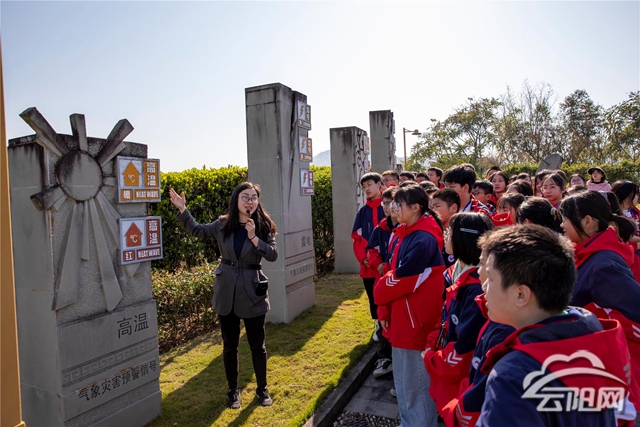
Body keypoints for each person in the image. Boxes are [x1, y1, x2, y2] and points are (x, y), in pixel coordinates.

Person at [475, 224, 633, 427]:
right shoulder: (593, 335)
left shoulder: (513, 376)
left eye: (490, 278)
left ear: (521, 294)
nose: (484, 286)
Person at [169, 182, 278, 409]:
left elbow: (273, 255)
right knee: (230, 345)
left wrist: (254, 238)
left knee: (257, 345)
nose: (249, 202)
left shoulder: (263, 226)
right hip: (226, 290)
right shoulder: (222, 224)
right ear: (236, 200)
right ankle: (233, 390)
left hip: (253, 292)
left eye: (253, 198)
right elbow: (198, 230)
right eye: (245, 197)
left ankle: (262, 389)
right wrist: (182, 209)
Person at [559, 190, 640, 422]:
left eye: (566, 219)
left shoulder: (604, 265)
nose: (562, 226)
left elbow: (634, 311)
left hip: (611, 370)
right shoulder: (589, 255)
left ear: (587, 222)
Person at [373, 185, 445, 427]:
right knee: (404, 382)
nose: (393, 208)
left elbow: (402, 280)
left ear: (416, 208)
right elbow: (392, 272)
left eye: (398, 204)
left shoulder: (424, 238)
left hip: (416, 321)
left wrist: (380, 293)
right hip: (404, 318)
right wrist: (384, 307)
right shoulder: (405, 232)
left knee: (417, 387)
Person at [423, 212, 494, 416]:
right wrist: (432, 343)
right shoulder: (456, 272)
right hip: (446, 367)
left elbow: (465, 347)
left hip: (459, 378)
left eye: (450, 231)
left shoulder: (476, 288)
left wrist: (432, 358)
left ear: (464, 238)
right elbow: (445, 319)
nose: (446, 235)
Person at [366, 187, 399, 380]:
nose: (387, 207)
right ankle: (385, 358)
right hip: (383, 280)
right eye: (384, 203)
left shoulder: (407, 227)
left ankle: (398, 361)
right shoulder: (380, 228)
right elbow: (372, 250)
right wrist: (378, 265)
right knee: (383, 320)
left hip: (399, 281)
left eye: (391, 203)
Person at [352, 172, 386, 342]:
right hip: (368, 264)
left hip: (385, 261)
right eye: (364, 186)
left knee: (386, 293)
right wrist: (363, 258)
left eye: (370, 184)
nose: (367, 189)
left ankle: (388, 324)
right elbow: (356, 237)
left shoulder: (388, 208)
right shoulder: (362, 212)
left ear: (379, 184)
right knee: (372, 295)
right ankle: (378, 324)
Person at [431, 188, 461, 268]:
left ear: (453, 208)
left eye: (437, 206)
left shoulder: (461, 236)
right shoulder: (431, 233)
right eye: (432, 207)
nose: (433, 211)